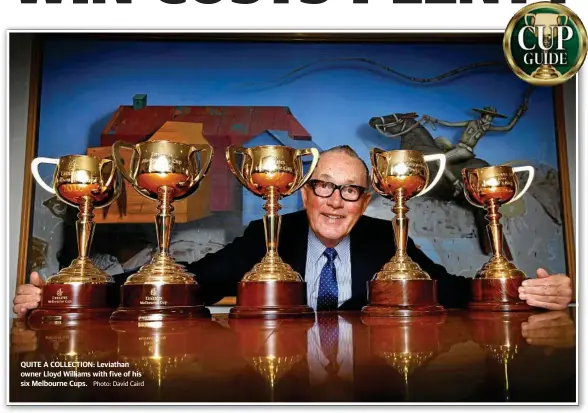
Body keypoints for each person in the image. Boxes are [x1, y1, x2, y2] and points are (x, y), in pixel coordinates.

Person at [13, 145, 572, 314]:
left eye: (351, 189)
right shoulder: (268, 237)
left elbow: (449, 288)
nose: (334, 201)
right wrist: (72, 297)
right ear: (303, 189)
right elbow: (195, 282)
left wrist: (534, 294)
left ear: (368, 198)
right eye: (323, 186)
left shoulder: (386, 240)